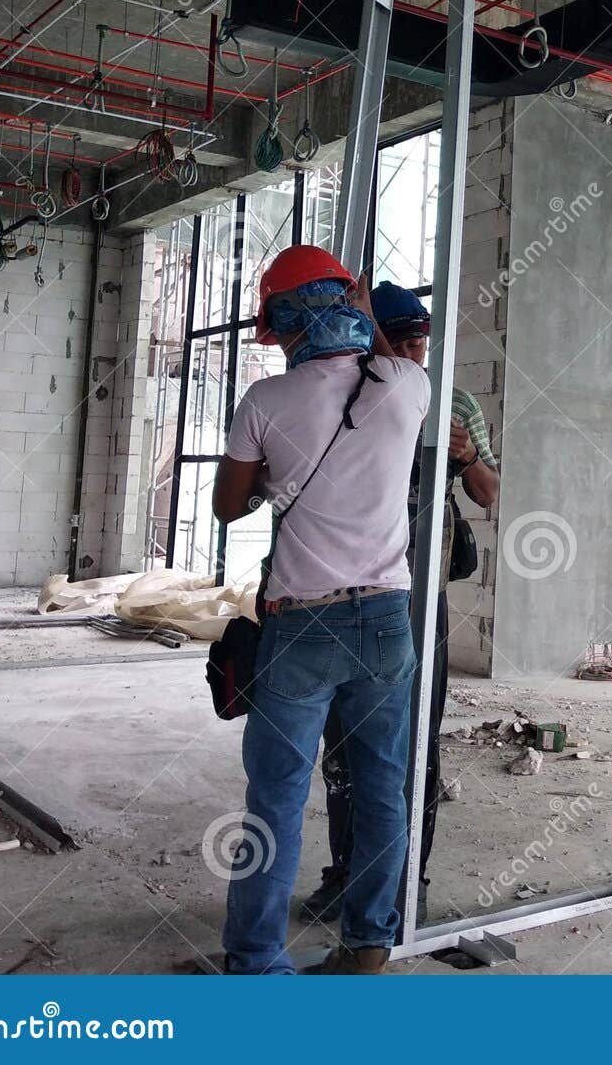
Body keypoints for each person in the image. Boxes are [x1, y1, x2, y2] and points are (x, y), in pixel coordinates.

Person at [213, 246, 430, 976]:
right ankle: (369, 943)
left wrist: (274, 473)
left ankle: (256, 961)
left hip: (303, 623)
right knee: (379, 786)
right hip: (388, 622)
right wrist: (366, 314)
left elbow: (226, 505)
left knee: (276, 797)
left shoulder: (264, 404)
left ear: (280, 327)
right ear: (351, 308)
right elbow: (374, 362)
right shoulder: (408, 385)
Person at [300, 280, 498, 926]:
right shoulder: (342, 392)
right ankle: (344, 875)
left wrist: (466, 457)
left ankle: (405, 882)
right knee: (343, 743)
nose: (415, 351)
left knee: (414, 741)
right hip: (340, 589)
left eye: (421, 339)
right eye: (402, 338)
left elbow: (492, 493)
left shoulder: (453, 401)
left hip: (418, 595)